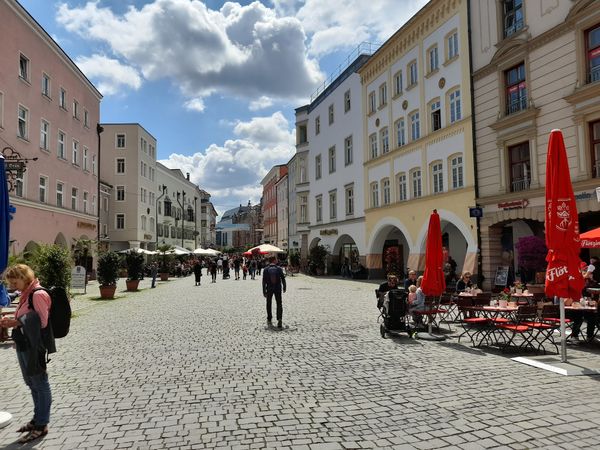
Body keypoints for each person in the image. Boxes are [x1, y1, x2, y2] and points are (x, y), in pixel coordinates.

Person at [0, 264, 52, 444]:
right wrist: (15, 322)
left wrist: (17, 323)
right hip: (23, 344)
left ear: (24, 277)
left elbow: (43, 323)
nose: (13, 286)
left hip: (34, 347)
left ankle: (42, 425)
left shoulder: (37, 294)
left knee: (40, 383)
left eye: (15, 282)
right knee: (32, 383)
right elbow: (27, 317)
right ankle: (37, 419)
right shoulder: (26, 294)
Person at [262, 256, 287, 328]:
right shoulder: (279, 269)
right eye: (276, 259)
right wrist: (284, 287)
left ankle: (269, 318)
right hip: (277, 288)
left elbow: (264, 282)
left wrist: (264, 291)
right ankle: (279, 319)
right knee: (279, 303)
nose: (277, 260)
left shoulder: (266, 269)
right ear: (274, 260)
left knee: (268, 303)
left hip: (269, 288)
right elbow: (283, 278)